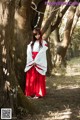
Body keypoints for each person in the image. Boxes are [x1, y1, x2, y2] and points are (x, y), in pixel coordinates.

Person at [24, 28, 48, 99]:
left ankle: (38, 93)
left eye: (38, 34)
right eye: (35, 35)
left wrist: (36, 61)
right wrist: (31, 61)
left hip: (39, 61)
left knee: (38, 77)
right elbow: (28, 53)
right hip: (31, 61)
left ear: (40, 34)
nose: (37, 36)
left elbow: (41, 53)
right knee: (31, 77)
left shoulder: (43, 43)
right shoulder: (31, 43)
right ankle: (31, 92)